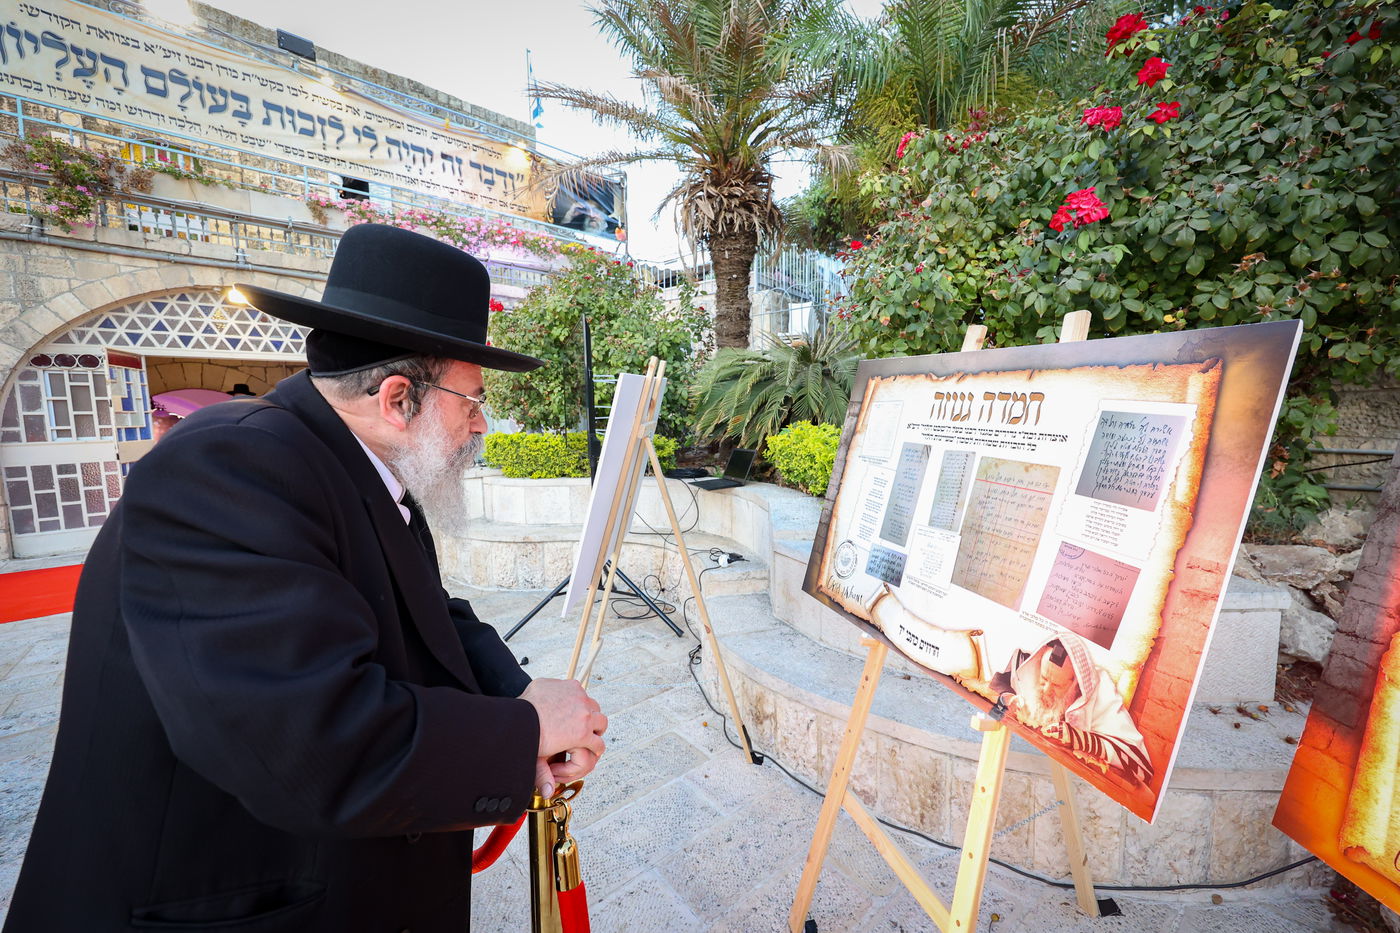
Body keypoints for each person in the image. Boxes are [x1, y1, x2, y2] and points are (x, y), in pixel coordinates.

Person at [4, 225, 607, 933]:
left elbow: (425, 610)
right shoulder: (227, 468)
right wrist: (521, 732)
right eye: (472, 400)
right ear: (397, 396)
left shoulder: (348, 465)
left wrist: (519, 695)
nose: (479, 426)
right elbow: (313, 739)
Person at [991, 632, 1153, 785]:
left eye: (1057, 685)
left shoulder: (1101, 694)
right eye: (1044, 679)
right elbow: (997, 689)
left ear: (1077, 686)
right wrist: (1007, 699)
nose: (1046, 691)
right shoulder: (1028, 668)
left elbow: (1142, 768)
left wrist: (1078, 738)